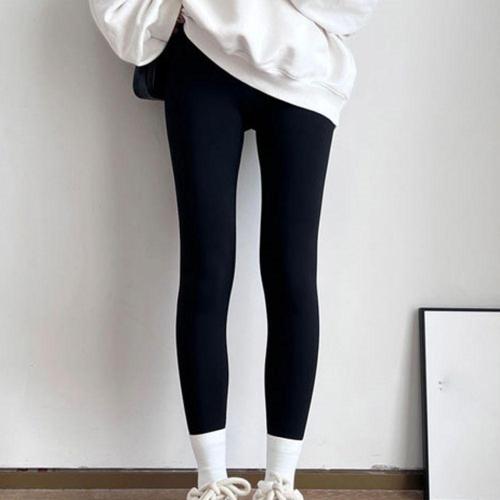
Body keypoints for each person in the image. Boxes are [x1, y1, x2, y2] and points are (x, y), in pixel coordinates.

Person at [89, 1, 378, 498]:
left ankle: (281, 481)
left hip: (303, 70)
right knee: (207, 267)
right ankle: (210, 481)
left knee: (291, 272)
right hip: (203, 59)